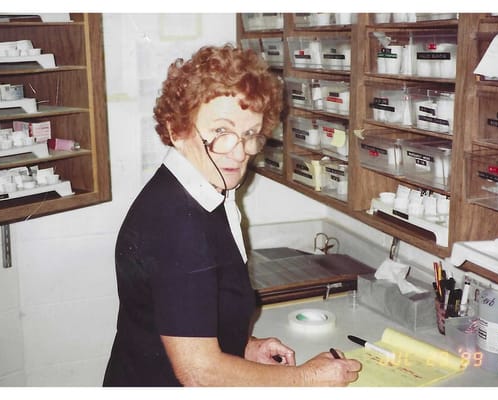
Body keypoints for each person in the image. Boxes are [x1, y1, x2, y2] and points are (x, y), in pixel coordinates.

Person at [103, 44, 361, 387]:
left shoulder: (206, 190)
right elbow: (199, 373)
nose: (239, 152)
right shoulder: (179, 221)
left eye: (250, 134)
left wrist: (243, 346)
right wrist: (306, 378)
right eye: (221, 132)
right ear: (177, 130)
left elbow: (181, 319)